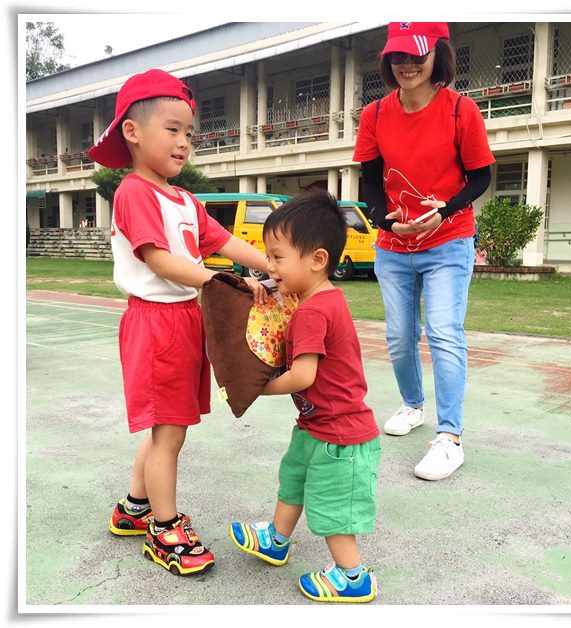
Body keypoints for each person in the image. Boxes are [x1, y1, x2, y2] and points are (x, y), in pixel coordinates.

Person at [87, 68, 270, 576]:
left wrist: (268, 264)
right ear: (132, 131)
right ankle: (164, 529)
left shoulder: (185, 199)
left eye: (189, 132)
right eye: (172, 129)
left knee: (168, 425)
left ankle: (134, 508)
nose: (184, 141)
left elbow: (221, 240)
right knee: (169, 433)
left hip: (186, 320)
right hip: (156, 322)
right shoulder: (134, 192)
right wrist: (213, 280)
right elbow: (158, 259)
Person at [353, 22, 495, 481]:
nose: (406, 65)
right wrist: (384, 219)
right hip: (394, 244)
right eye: (397, 56)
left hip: (448, 239)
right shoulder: (375, 114)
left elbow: (480, 177)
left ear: (438, 55)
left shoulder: (460, 111)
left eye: (416, 55)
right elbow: (370, 181)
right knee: (398, 336)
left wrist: (445, 210)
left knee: (444, 332)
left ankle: (449, 438)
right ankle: (413, 405)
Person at [228, 189, 381, 603]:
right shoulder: (315, 296)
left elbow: (301, 375)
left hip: (340, 437)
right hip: (317, 425)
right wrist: (268, 287)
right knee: (293, 479)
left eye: (277, 257)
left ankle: (353, 577)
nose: (269, 266)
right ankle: (276, 539)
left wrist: (257, 387)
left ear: (316, 260)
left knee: (332, 510)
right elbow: (281, 298)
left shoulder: (314, 311)